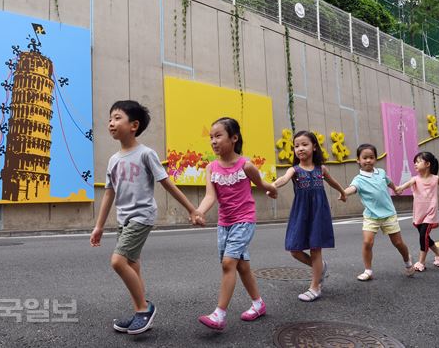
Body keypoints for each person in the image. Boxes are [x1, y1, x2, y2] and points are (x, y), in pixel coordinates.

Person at [90, 100, 204, 335]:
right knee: (132, 264)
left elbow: (167, 184)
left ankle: (144, 309)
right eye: (110, 118)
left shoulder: (145, 154)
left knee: (118, 261)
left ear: (134, 125)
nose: (111, 123)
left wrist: (192, 209)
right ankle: (139, 313)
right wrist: (99, 226)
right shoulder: (113, 160)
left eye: (117, 118)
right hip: (124, 218)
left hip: (142, 216)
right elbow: (109, 193)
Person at [195, 117, 277, 331]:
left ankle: (219, 314)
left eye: (218, 136)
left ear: (234, 138)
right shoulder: (211, 167)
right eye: (211, 137)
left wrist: (273, 189)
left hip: (244, 220)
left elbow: (261, 183)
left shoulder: (245, 165)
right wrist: (200, 211)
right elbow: (209, 196)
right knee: (242, 265)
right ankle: (258, 304)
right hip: (225, 223)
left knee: (228, 264)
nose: (213, 141)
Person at [271, 130, 347, 302]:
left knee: (315, 249)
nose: (300, 149)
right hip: (301, 212)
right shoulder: (295, 170)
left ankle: (315, 287)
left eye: (304, 144)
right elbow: (283, 179)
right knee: (295, 249)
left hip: (318, 212)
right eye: (296, 146)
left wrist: (342, 192)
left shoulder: (321, 169)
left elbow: (333, 182)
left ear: (314, 147)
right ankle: (320, 267)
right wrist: (272, 186)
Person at [343, 144, 415, 280]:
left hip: (389, 214)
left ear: (375, 159)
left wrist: (396, 189)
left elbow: (389, 182)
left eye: (371, 157)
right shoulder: (358, 179)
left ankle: (408, 262)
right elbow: (352, 188)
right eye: (364, 158)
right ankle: (368, 270)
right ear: (358, 160)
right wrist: (344, 193)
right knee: (367, 242)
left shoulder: (381, 172)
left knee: (398, 243)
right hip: (371, 216)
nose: (368, 160)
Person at [395, 151, 439, 272]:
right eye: (414, 162)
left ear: (427, 164)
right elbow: (405, 185)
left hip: (430, 212)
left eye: (418, 162)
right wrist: (399, 188)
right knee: (425, 236)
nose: (415, 164)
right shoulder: (415, 179)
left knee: (423, 235)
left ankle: (421, 261)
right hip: (419, 213)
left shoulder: (435, 179)